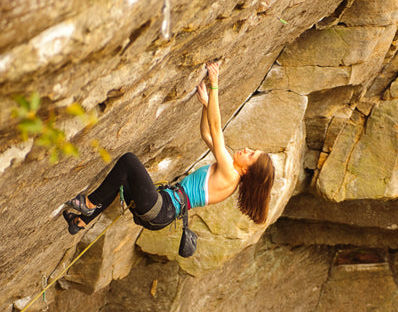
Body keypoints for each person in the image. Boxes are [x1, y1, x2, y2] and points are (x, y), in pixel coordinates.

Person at [63, 61, 275, 236]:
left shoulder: (230, 173)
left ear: (248, 170)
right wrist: (204, 105)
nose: (246, 149)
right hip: (159, 211)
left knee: (128, 161)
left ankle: (90, 204)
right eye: (251, 149)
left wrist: (215, 85)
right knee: (123, 177)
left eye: (251, 155)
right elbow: (207, 135)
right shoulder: (229, 171)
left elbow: (216, 128)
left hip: (161, 208)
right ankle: (82, 220)